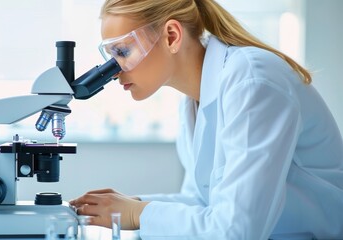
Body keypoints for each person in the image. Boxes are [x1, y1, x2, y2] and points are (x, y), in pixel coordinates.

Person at [69, 0, 343, 239]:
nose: (114, 72)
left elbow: (237, 231)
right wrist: (130, 205)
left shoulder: (253, 81)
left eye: (123, 52)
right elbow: (204, 202)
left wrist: (140, 214)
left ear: (172, 36)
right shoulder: (193, 98)